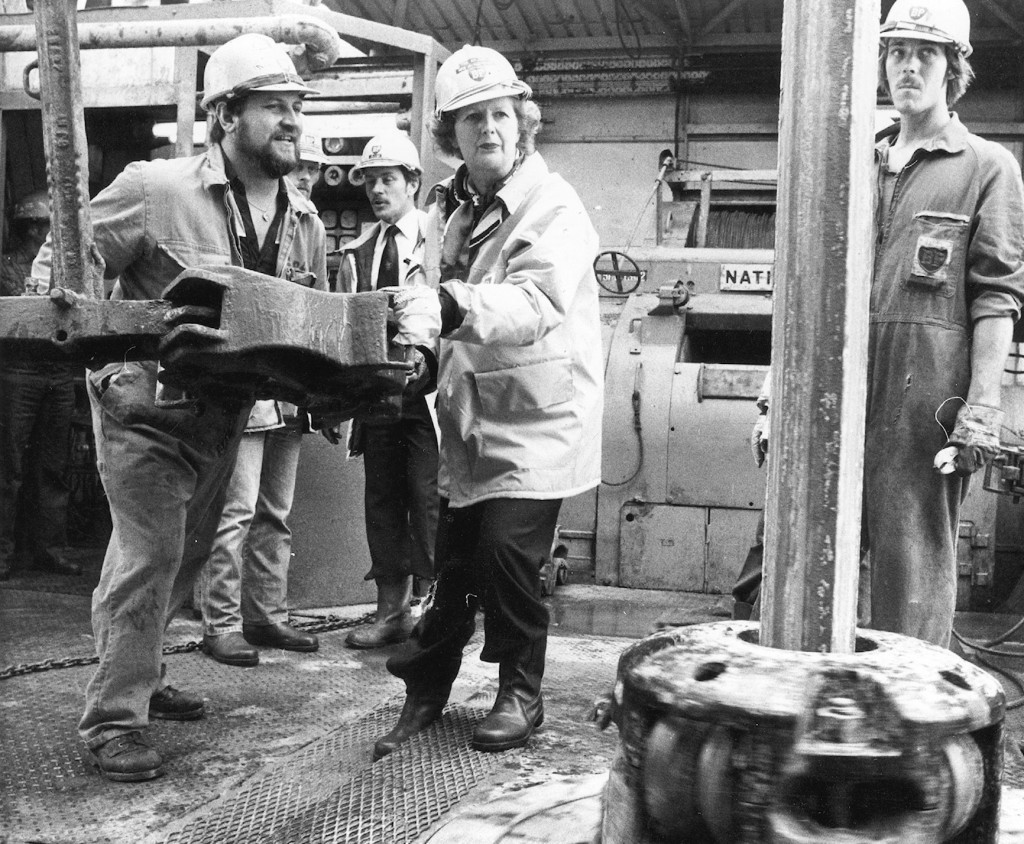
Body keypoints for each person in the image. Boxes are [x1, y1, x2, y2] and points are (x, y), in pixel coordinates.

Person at [31, 33, 327, 781]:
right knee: (150, 553)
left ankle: (142, 670)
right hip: (143, 414)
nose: (290, 119)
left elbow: (307, 319)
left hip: (222, 417)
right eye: (272, 105)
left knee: (184, 558)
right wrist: (90, 349)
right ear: (227, 114)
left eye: (296, 106)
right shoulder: (155, 187)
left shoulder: (303, 219)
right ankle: (113, 720)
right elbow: (62, 265)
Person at [372, 45, 603, 760]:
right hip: (470, 422)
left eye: (500, 113)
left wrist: (446, 304)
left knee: (506, 553)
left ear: (523, 122)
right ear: (450, 135)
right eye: (471, 119)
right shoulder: (446, 209)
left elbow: (534, 301)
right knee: (455, 567)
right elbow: (433, 314)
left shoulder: (553, 203)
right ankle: (426, 692)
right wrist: (411, 358)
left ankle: (520, 694)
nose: (488, 129)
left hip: (539, 420)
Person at [197, 131, 327, 668]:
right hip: (246, 388)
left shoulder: (309, 227)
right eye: (302, 169)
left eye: (314, 170)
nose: (305, 178)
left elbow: (317, 307)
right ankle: (221, 622)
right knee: (237, 509)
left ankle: (266, 614)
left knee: (276, 511)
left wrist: (315, 390)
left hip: (288, 395)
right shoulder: (239, 215)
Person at [330, 132, 440, 650]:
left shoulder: (440, 239)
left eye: (387, 179)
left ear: (413, 183)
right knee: (383, 500)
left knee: (428, 498)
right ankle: (391, 613)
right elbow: (344, 328)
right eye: (370, 181)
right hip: (378, 393)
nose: (377, 189)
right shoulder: (357, 253)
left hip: (429, 394)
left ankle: (438, 614)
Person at [0, 190, 81, 580]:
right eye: (49, 226)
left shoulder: (63, 270)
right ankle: (2, 554)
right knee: (9, 468)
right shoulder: (7, 268)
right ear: (33, 227)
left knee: (53, 467)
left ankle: (50, 549)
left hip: (57, 373)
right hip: (19, 372)